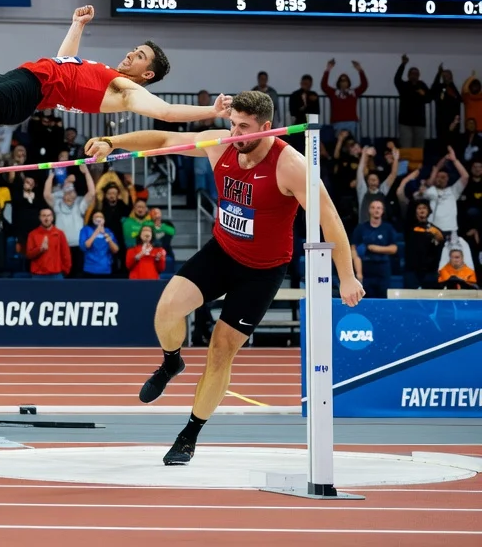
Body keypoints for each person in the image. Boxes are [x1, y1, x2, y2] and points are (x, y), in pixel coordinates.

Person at [84, 90, 365, 466]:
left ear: (267, 128)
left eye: (244, 127)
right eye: (233, 123)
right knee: (167, 309)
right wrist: (110, 141)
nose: (235, 133)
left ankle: (190, 433)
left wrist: (345, 276)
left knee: (220, 350)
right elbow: (165, 139)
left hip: (262, 271)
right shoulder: (222, 144)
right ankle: (171, 362)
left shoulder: (291, 165)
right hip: (221, 252)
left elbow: (329, 217)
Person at [0, 6, 228, 232]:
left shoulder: (127, 91)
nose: (132, 53)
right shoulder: (104, 71)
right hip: (17, 76)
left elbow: (165, 112)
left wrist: (211, 111)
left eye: (141, 56)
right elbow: (64, 62)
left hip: (26, 92)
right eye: (136, 49)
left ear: (147, 74)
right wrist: (77, 25)